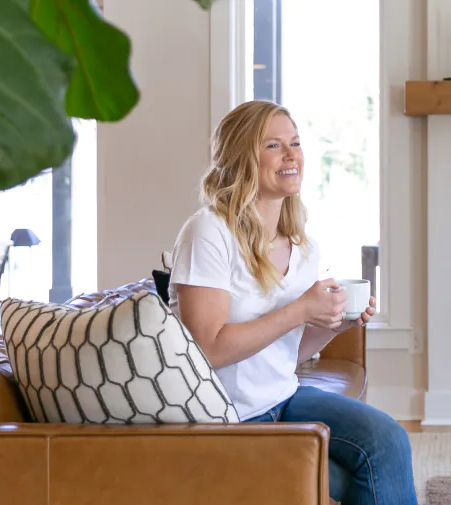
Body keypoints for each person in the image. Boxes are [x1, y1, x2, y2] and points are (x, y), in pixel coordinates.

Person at [168, 100, 417, 505]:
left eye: (295, 143)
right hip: (226, 417)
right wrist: (299, 309)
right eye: (272, 145)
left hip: (282, 397)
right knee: (348, 475)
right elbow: (206, 350)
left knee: (388, 439)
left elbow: (289, 353)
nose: (291, 155)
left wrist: (332, 323)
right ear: (241, 158)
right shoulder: (208, 232)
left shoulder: (303, 248)